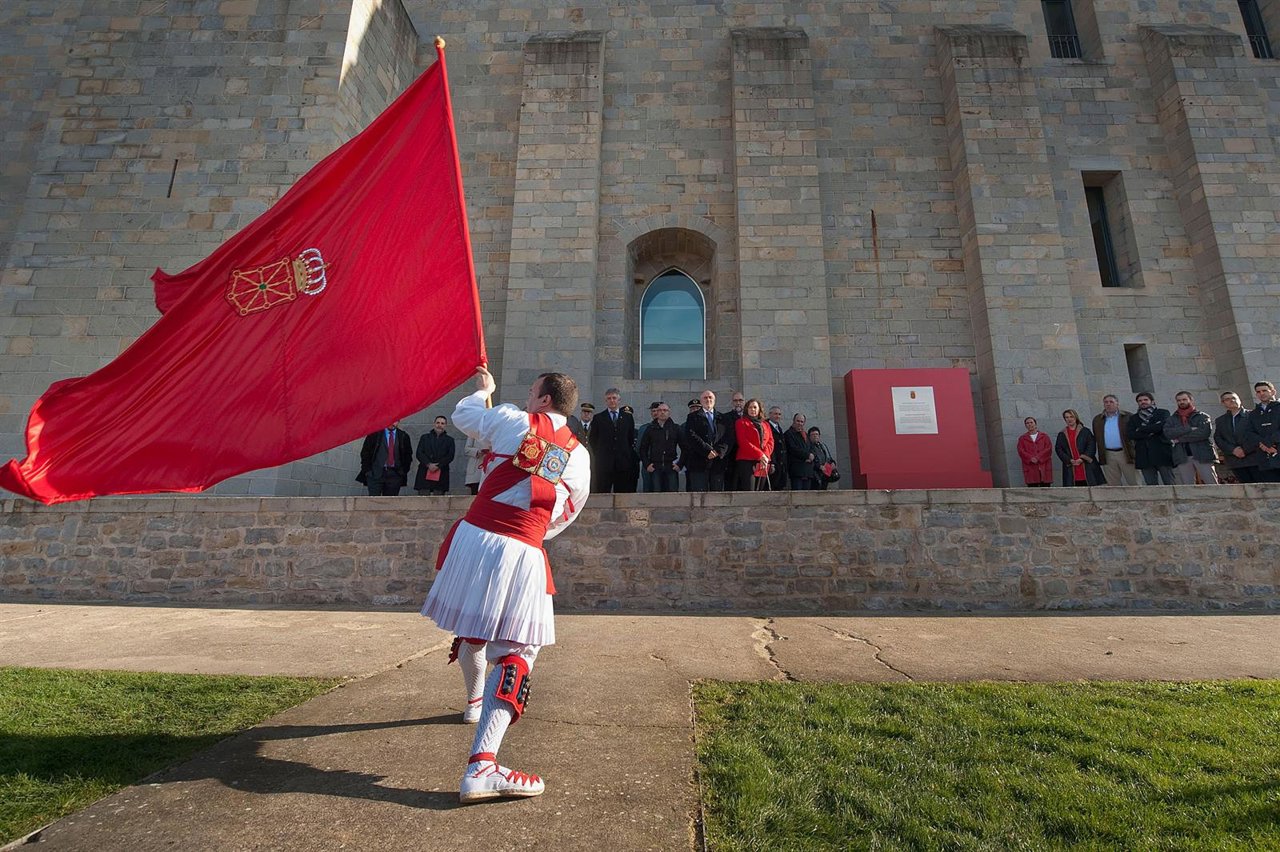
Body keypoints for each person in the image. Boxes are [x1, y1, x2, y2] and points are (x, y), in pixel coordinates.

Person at [422, 366, 590, 803]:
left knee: (475, 626)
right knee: (518, 651)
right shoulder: (579, 456)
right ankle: (483, 764)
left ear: (544, 400)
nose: (527, 396)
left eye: (532, 391)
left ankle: (474, 703)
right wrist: (530, 530)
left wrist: (484, 391)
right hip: (520, 545)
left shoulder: (511, 419)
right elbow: (568, 510)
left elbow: (464, 415)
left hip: (474, 536)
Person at [587, 388, 638, 493]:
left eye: (614, 398)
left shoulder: (627, 417)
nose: (612, 400)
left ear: (619, 400)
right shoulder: (598, 418)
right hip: (604, 463)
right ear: (606, 401)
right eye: (609, 398)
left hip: (622, 462)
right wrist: (600, 453)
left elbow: (630, 437)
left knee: (622, 492)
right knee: (603, 491)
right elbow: (593, 439)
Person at [1163, 391, 1218, 485]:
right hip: (1182, 456)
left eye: (1184, 399)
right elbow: (1168, 434)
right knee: (1187, 485)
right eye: (1179, 400)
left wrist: (1179, 438)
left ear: (1191, 400)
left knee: (1211, 482)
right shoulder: (1172, 419)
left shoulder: (1202, 416)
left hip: (1202, 454)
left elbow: (1203, 434)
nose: (1181, 402)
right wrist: (1189, 428)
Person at [683, 390, 730, 492]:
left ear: (714, 400)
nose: (708, 400)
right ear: (701, 401)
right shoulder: (692, 417)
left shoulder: (724, 418)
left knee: (717, 495)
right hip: (699, 462)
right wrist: (707, 450)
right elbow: (691, 436)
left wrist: (717, 451)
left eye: (710, 397)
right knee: (699, 496)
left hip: (718, 463)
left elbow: (728, 437)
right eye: (705, 398)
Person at [1127, 392, 1175, 485]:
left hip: (1162, 452)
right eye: (1140, 401)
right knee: (1151, 485)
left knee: (1169, 482)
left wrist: (1140, 429)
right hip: (1144, 454)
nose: (1143, 402)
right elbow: (1131, 434)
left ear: (1152, 401)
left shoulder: (1163, 412)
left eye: (1145, 400)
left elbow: (1161, 427)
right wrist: (1152, 430)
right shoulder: (1134, 418)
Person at [1091, 395, 1137, 485]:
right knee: (1113, 483)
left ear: (1117, 403)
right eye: (1106, 402)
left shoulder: (1128, 416)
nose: (1108, 404)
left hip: (1125, 452)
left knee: (1133, 480)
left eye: (1111, 402)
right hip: (1108, 454)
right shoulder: (1098, 419)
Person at [357, 421, 412, 495]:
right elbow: (365, 453)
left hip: (395, 475)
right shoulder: (375, 434)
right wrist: (368, 471)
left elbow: (408, 455)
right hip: (376, 474)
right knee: (374, 502)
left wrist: (402, 471)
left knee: (389, 502)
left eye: (395, 421)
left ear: (399, 421)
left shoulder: (403, 436)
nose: (392, 423)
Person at [1214, 391, 1258, 483]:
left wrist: (1244, 450)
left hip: (1254, 458)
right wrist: (1233, 450)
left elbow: (1257, 434)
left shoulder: (1253, 415)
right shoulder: (1220, 420)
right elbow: (1218, 438)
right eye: (1228, 399)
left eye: (1234, 398)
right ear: (1223, 403)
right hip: (1235, 460)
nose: (1232, 400)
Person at [638, 402, 681, 492]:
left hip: (671, 467)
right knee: (656, 494)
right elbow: (643, 448)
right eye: (660, 410)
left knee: (672, 495)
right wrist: (647, 465)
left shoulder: (676, 428)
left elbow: (685, 448)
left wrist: (680, 464)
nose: (662, 412)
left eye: (665, 410)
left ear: (669, 412)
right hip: (655, 467)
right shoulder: (650, 429)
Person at [732, 398, 773, 491]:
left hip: (763, 461)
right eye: (750, 407)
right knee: (749, 489)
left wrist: (765, 456)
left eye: (755, 407)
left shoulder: (766, 424)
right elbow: (743, 442)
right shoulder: (741, 422)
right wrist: (760, 455)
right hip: (746, 460)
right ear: (747, 409)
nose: (753, 409)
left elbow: (770, 441)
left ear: (759, 409)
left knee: (760, 489)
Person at [1055, 409, 1102, 487]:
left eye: (1071, 417)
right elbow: (1059, 449)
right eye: (1067, 417)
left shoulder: (1085, 431)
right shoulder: (1062, 434)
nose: (1069, 419)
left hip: (1086, 465)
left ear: (1075, 418)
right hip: (1071, 466)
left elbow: (1091, 445)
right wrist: (1069, 460)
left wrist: (1082, 458)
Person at [1245, 381, 1280, 483]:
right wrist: (1263, 445)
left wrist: (1269, 443)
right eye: (1258, 392)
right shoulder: (1253, 413)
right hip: (1264, 457)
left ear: (1273, 391)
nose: (1262, 393)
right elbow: (1249, 432)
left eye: (1264, 390)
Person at [414, 415, 456, 495]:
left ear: (445, 425)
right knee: (423, 501)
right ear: (434, 424)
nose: (439, 425)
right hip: (425, 471)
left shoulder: (450, 440)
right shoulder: (424, 438)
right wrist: (429, 464)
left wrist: (438, 465)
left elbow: (450, 456)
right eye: (438, 423)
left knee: (439, 502)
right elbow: (419, 453)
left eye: (442, 423)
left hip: (441, 473)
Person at [1017, 416, 1053, 486]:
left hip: (1043, 465)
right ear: (1025, 425)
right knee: (1033, 487)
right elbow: (1021, 451)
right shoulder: (1022, 438)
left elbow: (1048, 449)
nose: (1030, 424)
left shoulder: (1044, 436)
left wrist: (1038, 457)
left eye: (1031, 422)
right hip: (1030, 467)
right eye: (1027, 423)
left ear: (1035, 424)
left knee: (1045, 487)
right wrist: (1030, 458)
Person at [634, 402, 661, 492]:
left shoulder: (671, 427)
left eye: (658, 411)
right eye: (653, 411)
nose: (655, 413)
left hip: (664, 464)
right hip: (648, 464)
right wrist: (646, 462)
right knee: (648, 490)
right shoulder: (644, 428)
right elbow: (638, 448)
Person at [784, 413, 815, 490]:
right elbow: (793, 449)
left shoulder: (805, 434)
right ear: (793, 421)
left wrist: (811, 456)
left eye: (802, 422)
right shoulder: (788, 434)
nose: (800, 423)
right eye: (798, 421)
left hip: (808, 471)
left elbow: (811, 447)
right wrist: (807, 455)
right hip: (797, 470)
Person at [724, 392, 746, 490]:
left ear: (744, 402)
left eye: (740, 400)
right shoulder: (726, 417)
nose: (738, 403)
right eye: (735, 401)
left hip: (746, 456)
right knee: (731, 484)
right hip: (731, 457)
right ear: (732, 402)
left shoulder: (749, 417)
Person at [766, 405, 788, 491]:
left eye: (779, 414)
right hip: (773, 465)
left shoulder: (779, 428)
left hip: (781, 466)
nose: (777, 416)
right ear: (770, 414)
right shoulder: (766, 426)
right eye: (775, 414)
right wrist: (771, 462)